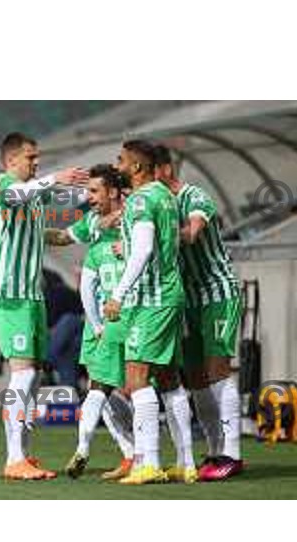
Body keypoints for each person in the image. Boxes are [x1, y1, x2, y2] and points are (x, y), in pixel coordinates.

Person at [0, 132, 88, 480]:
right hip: (10, 294)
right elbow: (15, 194)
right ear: (10, 161)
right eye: (30, 157)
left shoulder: (35, 199)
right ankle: (13, 458)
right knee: (24, 373)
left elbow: (48, 235)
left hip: (31, 295)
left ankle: (24, 455)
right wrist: (55, 179)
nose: (36, 162)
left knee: (32, 377)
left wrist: (91, 226)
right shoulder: (4, 185)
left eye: (37, 157)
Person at [154, 144, 244, 481]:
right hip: (187, 300)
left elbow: (191, 233)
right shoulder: (155, 203)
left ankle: (232, 453)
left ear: (163, 169)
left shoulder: (194, 196)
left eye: (143, 170)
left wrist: (152, 239)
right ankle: (214, 450)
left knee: (217, 368)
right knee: (195, 378)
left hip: (217, 294)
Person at [104, 140, 185, 485]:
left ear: (136, 167)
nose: (116, 164)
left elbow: (143, 250)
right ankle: (185, 461)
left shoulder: (140, 199)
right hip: (170, 295)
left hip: (151, 300)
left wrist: (118, 295)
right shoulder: (166, 195)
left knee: (136, 378)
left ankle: (149, 462)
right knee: (168, 379)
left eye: (121, 160)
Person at [61, 164, 135, 480]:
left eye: (94, 191)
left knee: (133, 389)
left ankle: (142, 455)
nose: (88, 197)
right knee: (103, 388)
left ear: (115, 192)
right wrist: (29, 233)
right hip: (105, 319)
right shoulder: (93, 227)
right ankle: (132, 454)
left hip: (129, 317)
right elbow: (63, 236)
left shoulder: (137, 219)